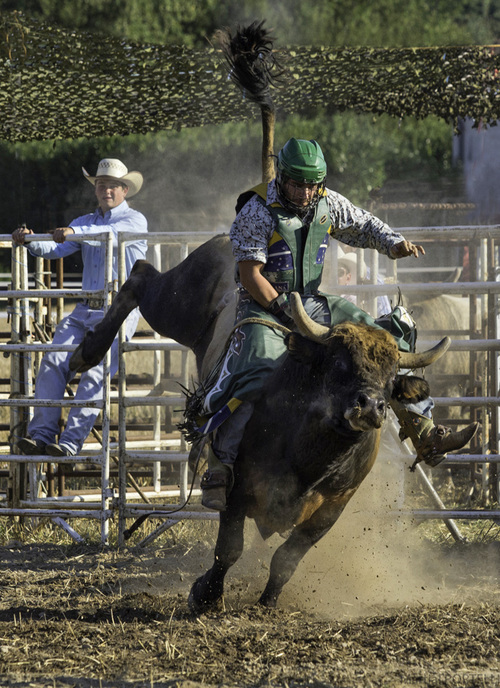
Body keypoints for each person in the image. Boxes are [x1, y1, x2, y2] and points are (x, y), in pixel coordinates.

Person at [187, 138, 478, 510]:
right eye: (298, 184)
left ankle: (425, 433)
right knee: (252, 368)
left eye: (312, 185)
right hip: (260, 305)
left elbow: (363, 224)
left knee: (379, 343)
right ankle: (220, 464)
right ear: (284, 177)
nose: (306, 193)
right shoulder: (257, 211)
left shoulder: (327, 202)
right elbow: (248, 274)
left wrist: (393, 243)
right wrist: (280, 308)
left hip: (310, 301)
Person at [12, 158, 148, 457]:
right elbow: (56, 248)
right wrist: (30, 240)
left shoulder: (134, 220)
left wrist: (73, 233)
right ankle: (41, 435)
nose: (106, 190)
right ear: (96, 189)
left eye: (112, 185)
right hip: (85, 307)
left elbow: (108, 238)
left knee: (96, 373)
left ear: (125, 190)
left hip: (118, 309)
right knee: (52, 361)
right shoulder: (84, 221)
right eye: (101, 185)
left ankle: (70, 442)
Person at [335, 245, 392, 317]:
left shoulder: (369, 275)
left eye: (339, 272)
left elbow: (384, 313)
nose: (334, 276)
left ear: (348, 277)